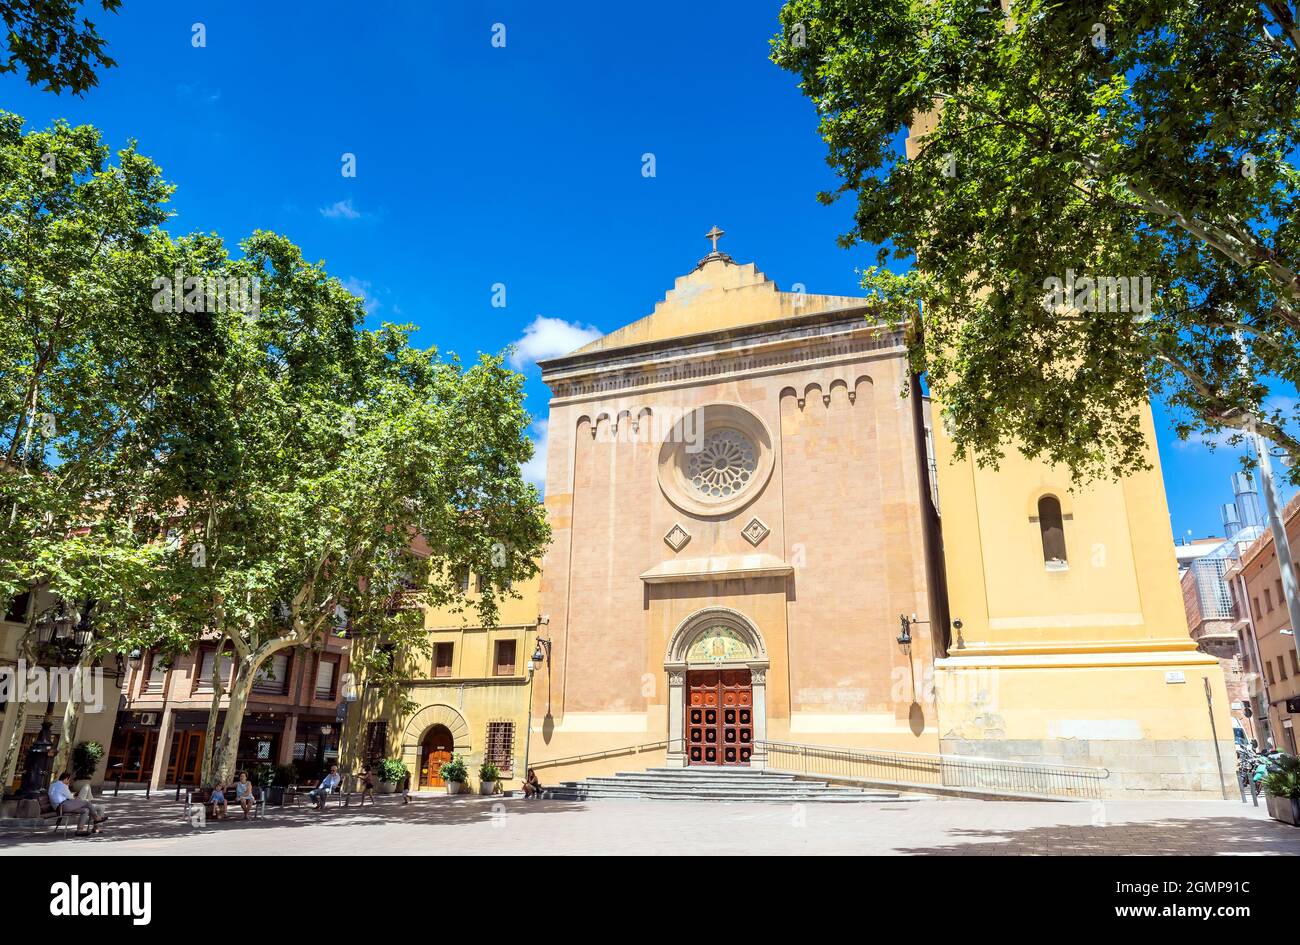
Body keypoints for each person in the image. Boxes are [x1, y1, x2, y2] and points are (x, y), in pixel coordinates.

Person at [49, 771, 108, 836]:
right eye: (69, 780)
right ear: (66, 779)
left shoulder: (53, 785)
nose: (69, 782)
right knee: (86, 803)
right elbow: (71, 797)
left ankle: (79, 830)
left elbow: (63, 795)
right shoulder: (63, 786)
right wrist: (68, 787)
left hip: (60, 807)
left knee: (85, 810)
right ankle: (96, 818)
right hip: (63, 806)